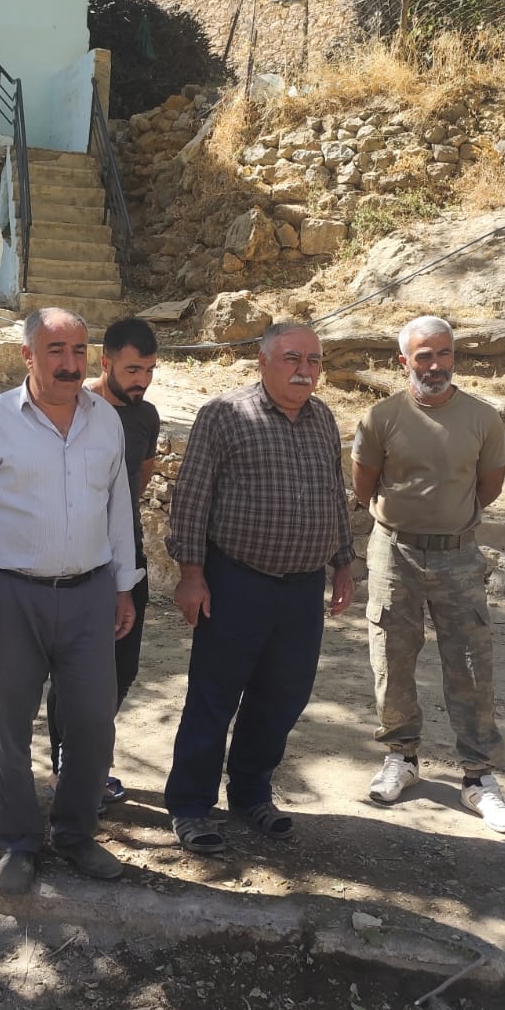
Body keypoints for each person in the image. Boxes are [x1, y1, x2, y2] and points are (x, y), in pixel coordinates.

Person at [0, 307, 140, 897]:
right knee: (10, 725)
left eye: (78, 351)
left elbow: (118, 507)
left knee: (93, 722)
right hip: (10, 595)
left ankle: (75, 832)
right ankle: (19, 840)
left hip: (90, 594)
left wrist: (124, 586)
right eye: (55, 351)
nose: (70, 364)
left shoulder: (106, 421)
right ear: (27, 355)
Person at [164, 321, 354, 853]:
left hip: (302, 591)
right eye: (292, 358)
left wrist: (343, 564)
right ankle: (190, 806)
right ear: (263, 362)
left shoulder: (322, 419)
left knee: (283, 696)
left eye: (314, 360)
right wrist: (191, 575)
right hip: (236, 582)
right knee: (214, 696)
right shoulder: (225, 414)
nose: (305, 370)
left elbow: (334, 496)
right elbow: (192, 498)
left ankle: (250, 793)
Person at [353, 316, 505, 833]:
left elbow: (489, 487)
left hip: (458, 555)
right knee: (391, 656)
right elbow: (364, 485)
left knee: (470, 663)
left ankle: (479, 777)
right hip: (393, 553)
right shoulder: (381, 417)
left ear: (454, 356)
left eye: (443, 353)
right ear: (404, 361)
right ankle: (400, 757)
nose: (435, 365)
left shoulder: (483, 418)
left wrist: (448, 521)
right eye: (423, 355)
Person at [44, 316, 160, 808]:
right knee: (73, 671)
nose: (142, 380)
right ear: (106, 363)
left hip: (127, 556)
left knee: (122, 668)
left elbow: (140, 479)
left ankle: (88, 758)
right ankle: (68, 767)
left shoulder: (146, 416)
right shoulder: (75, 407)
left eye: (149, 370)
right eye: (133, 370)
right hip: (76, 561)